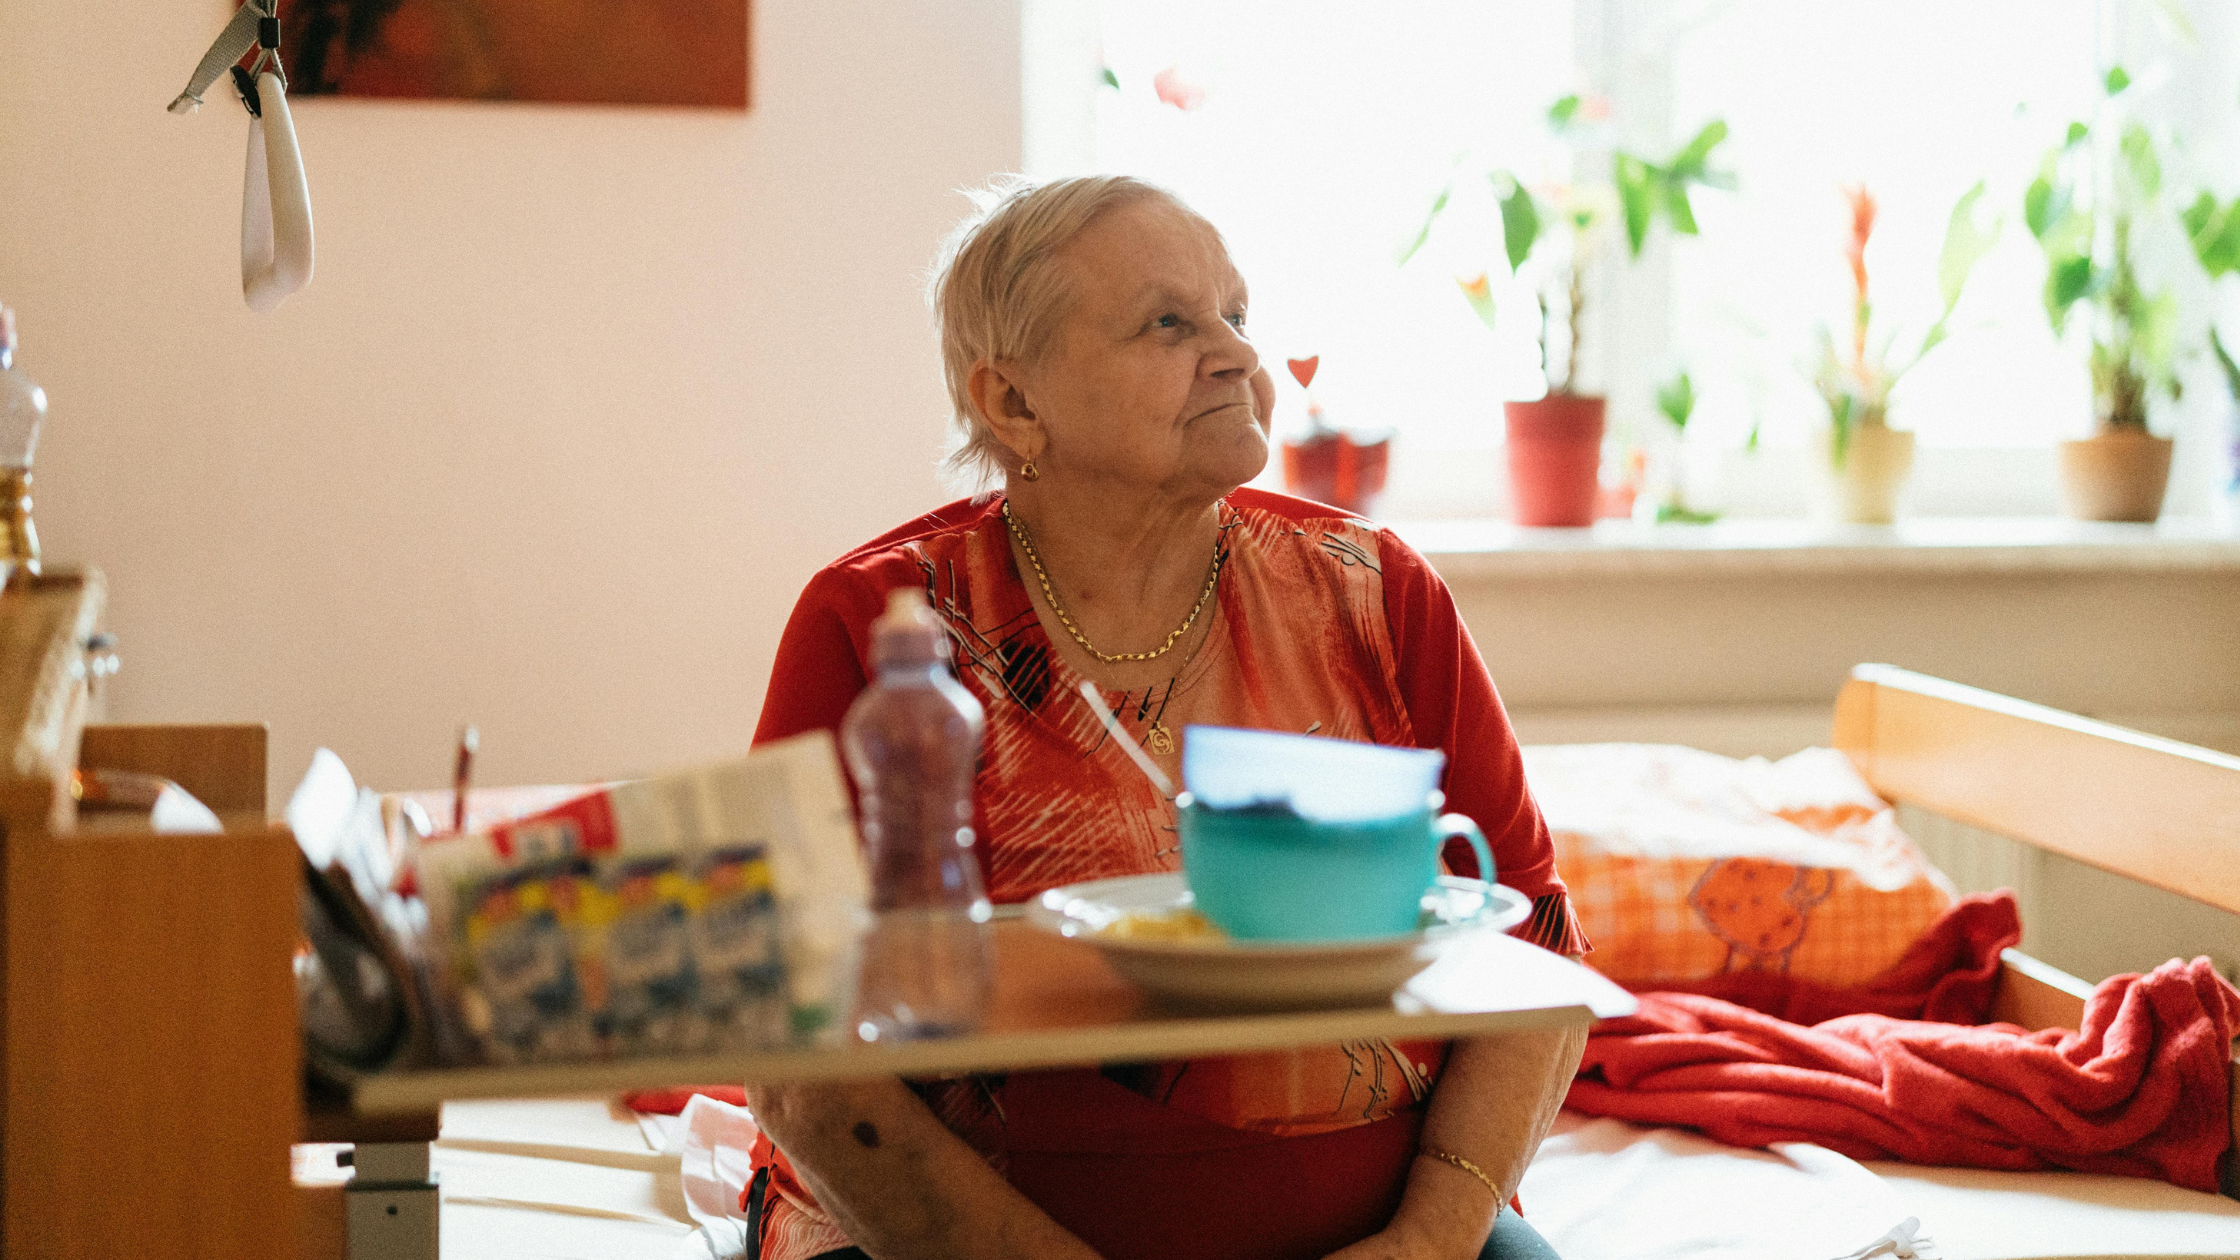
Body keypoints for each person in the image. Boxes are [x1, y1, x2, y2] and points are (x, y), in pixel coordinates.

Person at [744, 174, 1590, 1260]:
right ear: (1012, 403)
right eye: (1167, 324)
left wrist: (1426, 1241)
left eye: (1235, 315)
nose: (1238, 355)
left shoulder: (1375, 593)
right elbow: (786, 1041)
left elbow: (1536, 946)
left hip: (1388, 1228)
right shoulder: (880, 625)